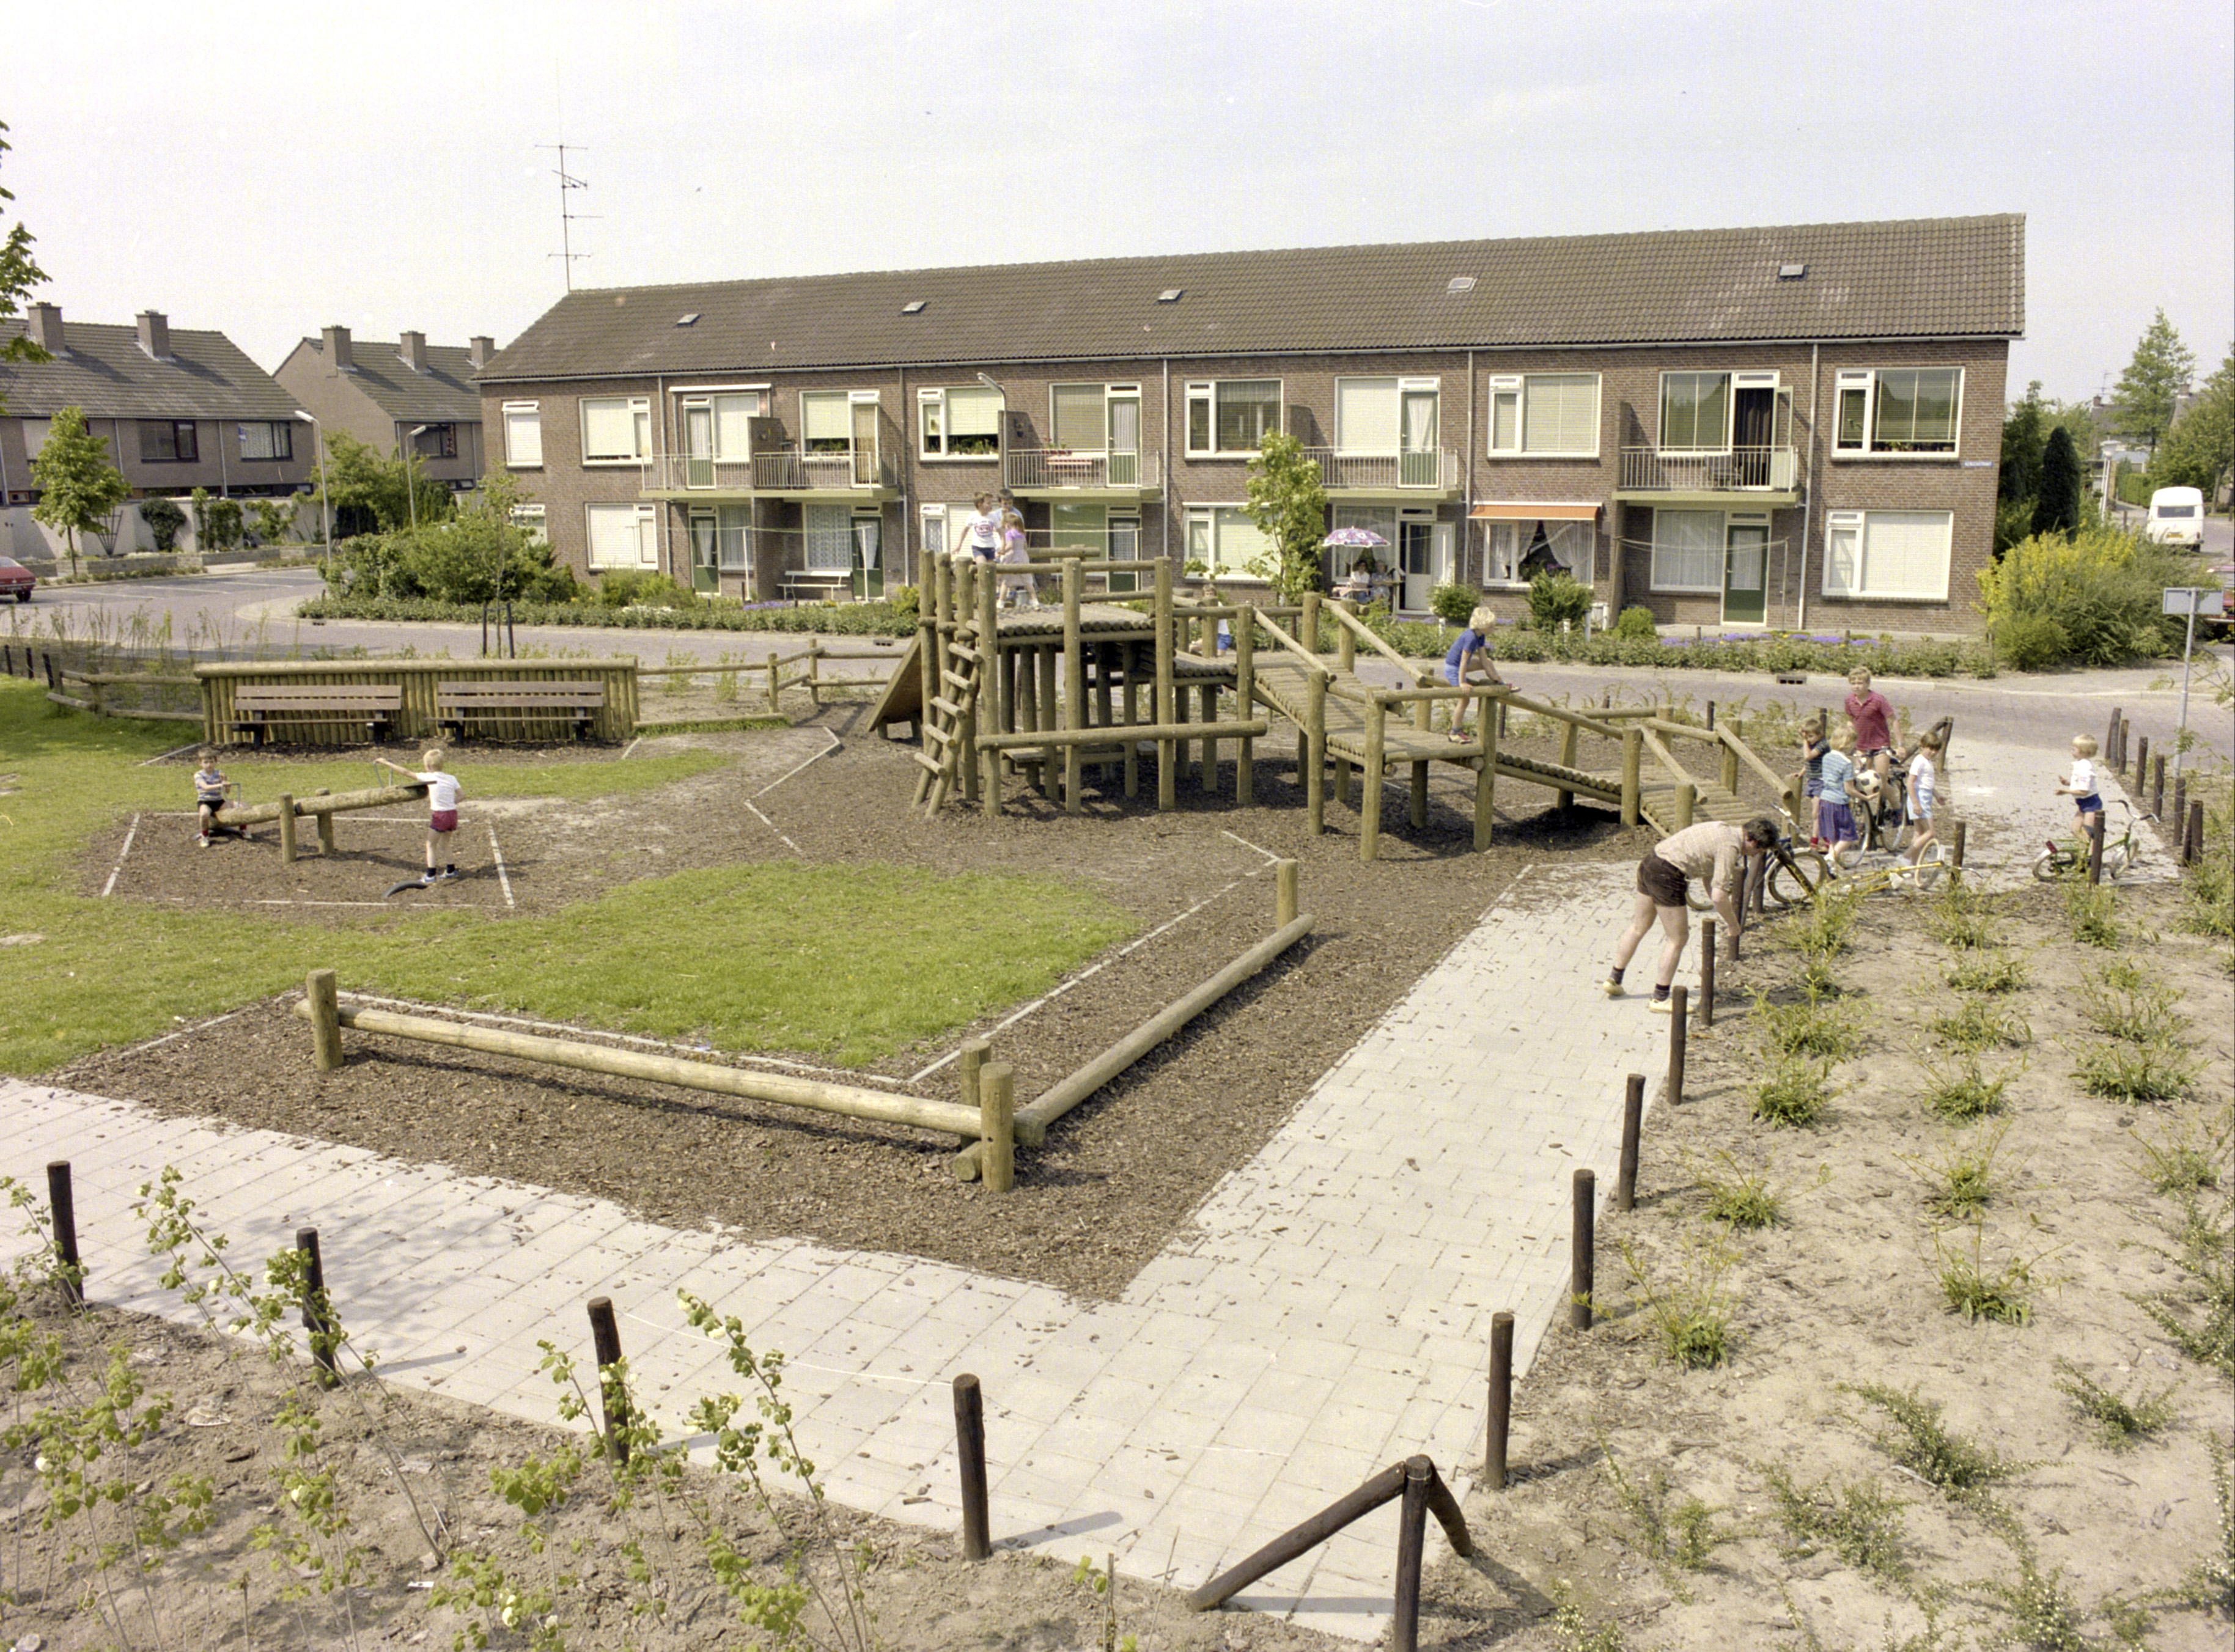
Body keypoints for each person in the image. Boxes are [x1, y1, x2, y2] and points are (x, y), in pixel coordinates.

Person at [1604, 815, 1781, 1012]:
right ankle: (1660, 998)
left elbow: (1709, 879)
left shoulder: (1722, 828)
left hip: (1651, 862)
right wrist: (1733, 925)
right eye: (1758, 851)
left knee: (1639, 927)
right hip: (1668, 875)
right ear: (1752, 841)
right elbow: (1719, 896)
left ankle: (1614, 979)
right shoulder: (1730, 848)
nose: (1755, 855)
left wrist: (1721, 909)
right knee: (1678, 939)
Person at [376, 749, 462, 880]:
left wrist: (387, 763)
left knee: (430, 844)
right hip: (452, 814)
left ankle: (430, 875)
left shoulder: (429, 777)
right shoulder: (452, 778)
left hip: (440, 816)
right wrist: (451, 803)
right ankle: (451, 870)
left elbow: (405, 772)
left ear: (428, 766)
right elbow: (462, 795)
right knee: (445, 843)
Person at [1844, 668, 1901, 835]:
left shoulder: (1878, 700)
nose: (1857, 686)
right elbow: (1851, 721)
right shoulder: (1850, 701)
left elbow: (1894, 720)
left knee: (1880, 782)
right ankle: (1865, 819)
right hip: (1862, 746)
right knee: (1860, 782)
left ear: (1868, 684)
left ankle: (1897, 808)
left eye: (1860, 683)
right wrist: (1848, 739)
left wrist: (1901, 744)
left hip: (1880, 745)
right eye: (1853, 683)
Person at [1442, 606, 1506, 742]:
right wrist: (1462, 683)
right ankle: (1454, 732)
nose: (1493, 629)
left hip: (1461, 665)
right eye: (1490, 627)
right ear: (1481, 626)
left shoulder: (1481, 636)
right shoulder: (1471, 638)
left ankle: (1499, 682)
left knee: (1488, 662)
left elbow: (1483, 658)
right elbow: (1463, 662)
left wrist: (1494, 676)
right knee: (1464, 699)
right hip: (1453, 668)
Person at [1902, 729, 1943, 870]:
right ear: (1923, 746)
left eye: (1936, 750)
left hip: (1925, 797)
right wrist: (1916, 803)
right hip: (1919, 799)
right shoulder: (1919, 761)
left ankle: (1913, 866)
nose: (1933, 752)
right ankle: (1905, 856)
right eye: (1930, 748)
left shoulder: (1928, 762)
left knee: (1919, 833)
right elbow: (1910, 783)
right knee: (1930, 832)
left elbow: (1927, 784)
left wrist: (1937, 795)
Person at [1819, 730, 1860, 868]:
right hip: (1839, 803)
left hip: (1825, 799)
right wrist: (1865, 797)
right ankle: (1829, 859)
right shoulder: (1847, 763)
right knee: (1849, 836)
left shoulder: (1827, 757)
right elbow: (1849, 789)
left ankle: (1830, 867)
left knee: (1834, 837)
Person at [2056, 733, 2102, 842]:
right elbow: (2081, 784)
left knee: (2088, 832)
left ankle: (2092, 849)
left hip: (2091, 803)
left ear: (2084, 751)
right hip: (2082, 803)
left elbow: (2084, 791)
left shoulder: (2085, 768)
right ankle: (2083, 847)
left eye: (2074, 749)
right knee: (2075, 830)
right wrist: (2068, 783)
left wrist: (2066, 791)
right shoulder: (2080, 764)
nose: (2072, 751)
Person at [193, 749, 237, 846]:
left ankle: (243, 830)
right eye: (206, 762)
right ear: (200, 763)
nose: (209, 765)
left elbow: (227, 791)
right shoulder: (198, 775)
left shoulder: (219, 773)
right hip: (205, 802)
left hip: (218, 801)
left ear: (215, 762)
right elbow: (205, 787)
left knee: (240, 806)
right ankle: (204, 836)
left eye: (211, 762)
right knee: (204, 814)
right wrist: (220, 785)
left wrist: (226, 783)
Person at [1798, 717, 1829, 849]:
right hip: (1812, 780)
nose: (1809, 739)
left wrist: (1804, 741)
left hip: (1821, 781)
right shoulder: (1813, 744)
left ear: (1820, 734)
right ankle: (1826, 838)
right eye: (1807, 737)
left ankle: (1815, 841)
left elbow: (1808, 757)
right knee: (1817, 814)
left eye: (1811, 736)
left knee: (1816, 813)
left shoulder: (1823, 745)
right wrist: (1801, 773)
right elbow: (1810, 763)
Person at [996, 509, 1034, 609]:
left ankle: (1001, 602)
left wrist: (1001, 551)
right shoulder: (1022, 533)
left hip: (1012, 558)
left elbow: (1010, 546)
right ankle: (1035, 601)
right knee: (1028, 580)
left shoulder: (1009, 534)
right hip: (1023, 557)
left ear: (1007, 524)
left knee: (1006, 581)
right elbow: (1025, 546)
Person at [952, 494, 1002, 564]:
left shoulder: (993, 517)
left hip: (990, 547)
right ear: (980, 505)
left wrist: (1003, 546)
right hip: (978, 547)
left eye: (991, 503)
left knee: (990, 568)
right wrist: (959, 545)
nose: (991, 505)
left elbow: (1001, 532)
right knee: (982, 565)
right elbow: (964, 531)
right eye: (988, 503)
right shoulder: (973, 516)